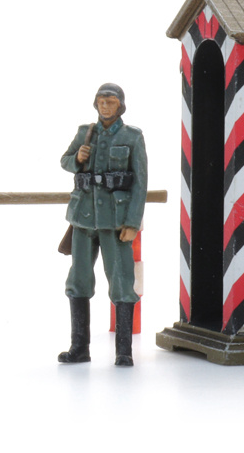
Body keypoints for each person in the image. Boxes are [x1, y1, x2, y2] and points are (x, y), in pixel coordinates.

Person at [58, 83, 147, 367]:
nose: (105, 106)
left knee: (122, 281)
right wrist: (77, 159)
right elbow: (65, 161)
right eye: (101, 101)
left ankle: (124, 351)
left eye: (111, 102)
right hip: (83, 219)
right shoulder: (85, 132)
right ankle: (79, 348)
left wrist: (132, 222)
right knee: (78, 280)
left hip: (115, 222)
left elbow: (140, 184)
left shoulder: (132, 137)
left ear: (120, 105)